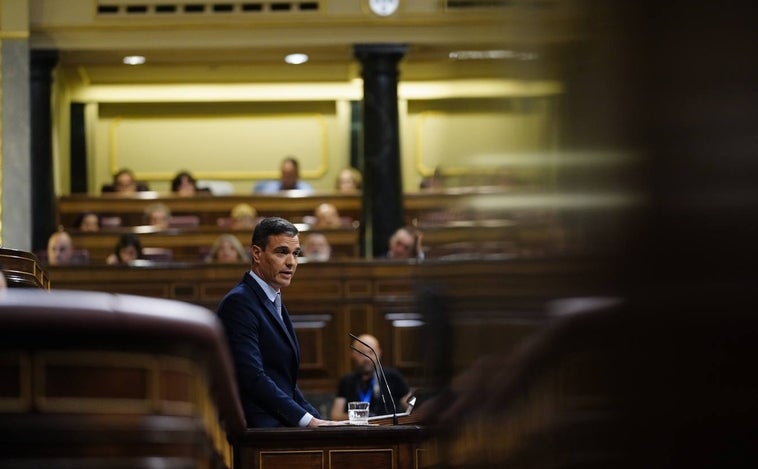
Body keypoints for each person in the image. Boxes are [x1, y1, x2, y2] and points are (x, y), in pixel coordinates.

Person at [216, 217, 336, 428]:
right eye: (281, 252)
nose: (291, 262)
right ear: (257, 253)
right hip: (259, 432)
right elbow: (252, 378)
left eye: (296, 253)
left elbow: (283, 382)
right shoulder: (240, 302)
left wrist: (317, 419)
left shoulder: (272, 299)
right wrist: (308, 421)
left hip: (278, 427)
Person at [330, 333, 411, 421]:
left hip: (387, 430)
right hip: (357, 431)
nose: (366, 358)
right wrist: (363, 417)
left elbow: (411, 408)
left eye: (370, 352)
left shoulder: (393, 376)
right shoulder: (346, 380)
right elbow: (336, 416)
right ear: (353, 354)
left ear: (379, 352)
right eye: (361, 353)